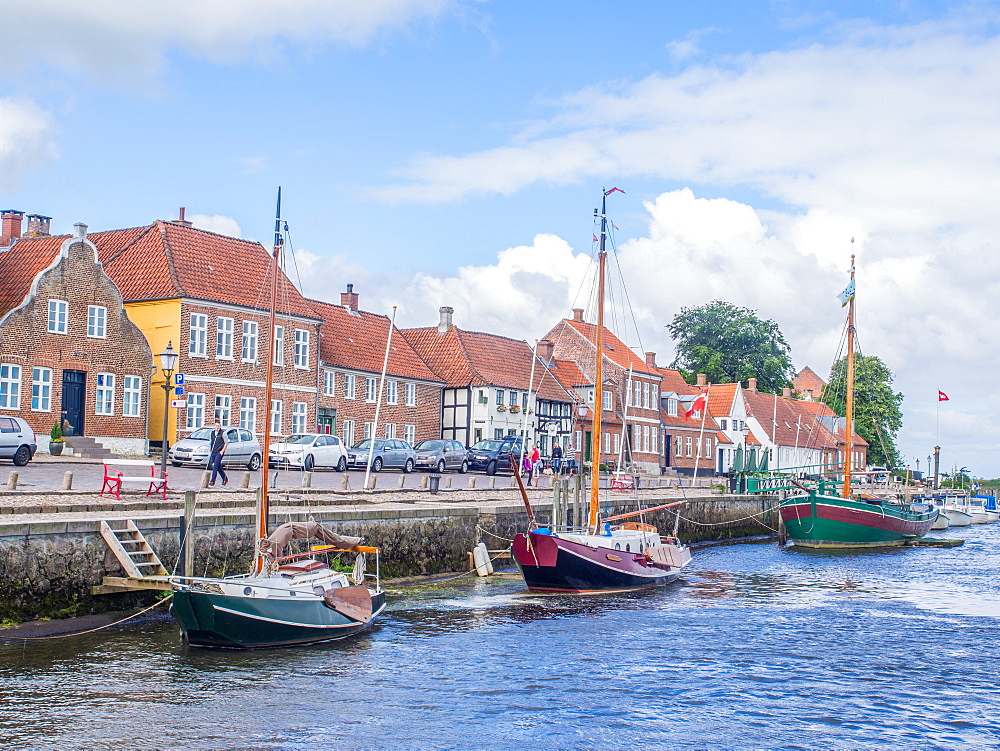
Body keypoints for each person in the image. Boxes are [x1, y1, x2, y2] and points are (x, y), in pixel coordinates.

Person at [208, 422, 229, 487]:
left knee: (215, 466)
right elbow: (211, 442)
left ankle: (212, 481)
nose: (217, 427)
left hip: (219, 452)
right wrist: (210, 449)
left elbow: (226, 443)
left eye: (218, 426)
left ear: (220, 426)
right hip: (213, 452)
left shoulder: (222, 433)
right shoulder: (212, 433)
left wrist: (222, 451)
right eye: (216, 426)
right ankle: (225, 479)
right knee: (219, 467)